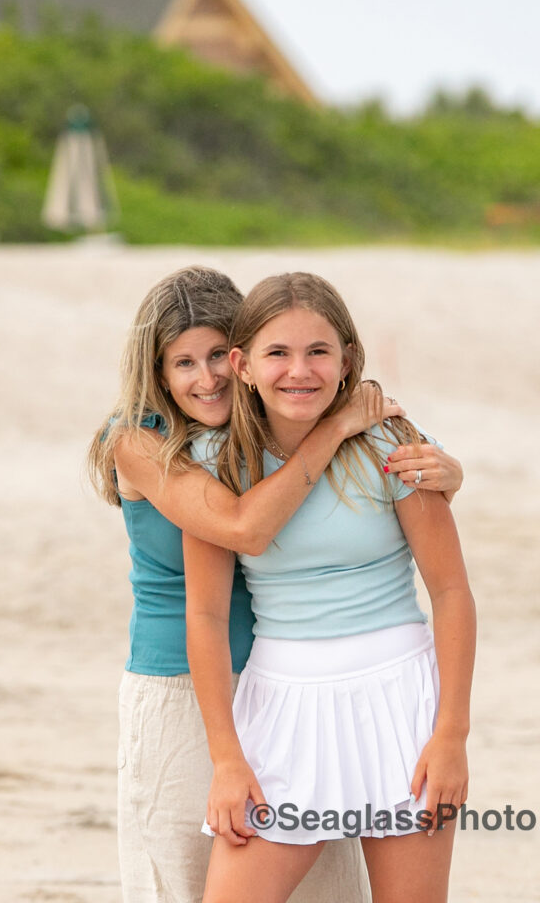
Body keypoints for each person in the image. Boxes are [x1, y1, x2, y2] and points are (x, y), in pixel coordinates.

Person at [87, 266, 465, 903]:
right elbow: (243, 530)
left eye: (316, 351)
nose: (204, 378)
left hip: (385, 691)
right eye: (184, 362)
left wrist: (443, 471)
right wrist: (335, 428)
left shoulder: (383, 441)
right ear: (251, 363)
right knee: (179, 882)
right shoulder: (168, 452)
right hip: (206, 688)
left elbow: (451, 587)